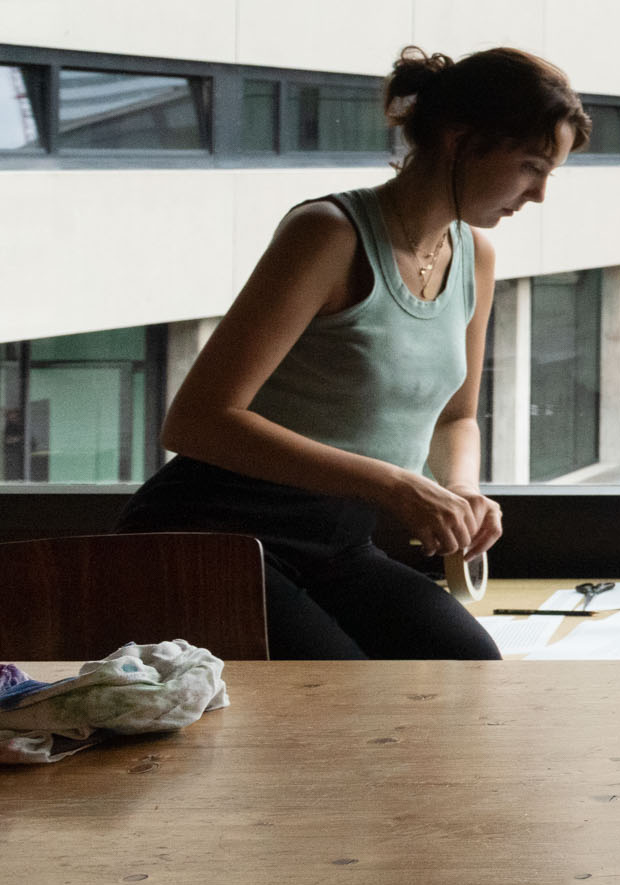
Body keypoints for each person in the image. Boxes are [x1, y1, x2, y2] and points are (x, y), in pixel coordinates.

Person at [123, 47, 588, 659]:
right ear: (459, 141)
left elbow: (457, 416)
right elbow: (196, 422)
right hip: (212, 538)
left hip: (338, 543)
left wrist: (462, 491)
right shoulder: (328, 233)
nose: (539, 195)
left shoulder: (475, 255)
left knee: (468, 671)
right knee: (346, 705)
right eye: (532, 166)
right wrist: (396, 486)